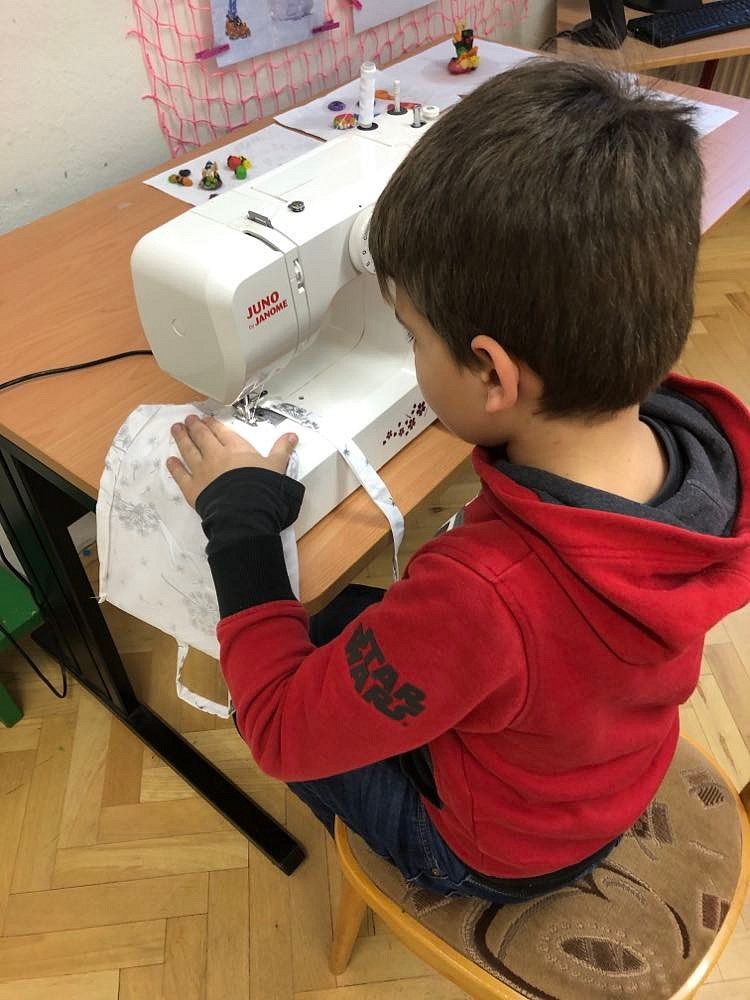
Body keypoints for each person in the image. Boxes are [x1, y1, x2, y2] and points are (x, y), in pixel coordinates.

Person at [166, 59, 750, 903]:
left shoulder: (484, 596)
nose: (409, 351)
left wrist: (239, 517)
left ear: (492, 373)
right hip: (601, 773)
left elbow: (282, 729)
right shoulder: (694, 450)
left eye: (411, 334)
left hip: (497, 849)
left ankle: (422, 865)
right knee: (342, 616)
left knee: (284, 676)